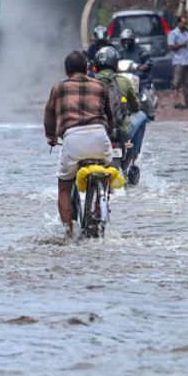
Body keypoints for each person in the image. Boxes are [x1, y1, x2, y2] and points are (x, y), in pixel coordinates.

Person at [44, 51, 114, 235]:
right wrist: (108, 134)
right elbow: (110, 117)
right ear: (87, 69)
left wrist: (51, 136)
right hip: (99, 136)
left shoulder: (58, 88)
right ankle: (100, 209)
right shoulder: (100, 86)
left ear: (67, 71)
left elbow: (49, 115)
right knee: (106, 174)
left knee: (64, 187)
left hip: (73, 140)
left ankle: (68, 233)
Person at [94, 46, 147, 165]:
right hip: (120, 130)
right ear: (115, 64)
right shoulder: (125, 81)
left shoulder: (89, 82)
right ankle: (132, 157)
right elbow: (135, 108)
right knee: (142, 116)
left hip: (95, 130)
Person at [167, 14, 188, 109]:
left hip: (187, 61)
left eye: (186, 23)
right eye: (183, 23)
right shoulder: (173, 34)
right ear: (178, 23)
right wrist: (184, 44)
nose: (185, 25)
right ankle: (176, 102)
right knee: (176, 83)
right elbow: (171, 47)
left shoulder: (187, 33)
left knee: (187, 83)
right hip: (178, 61)